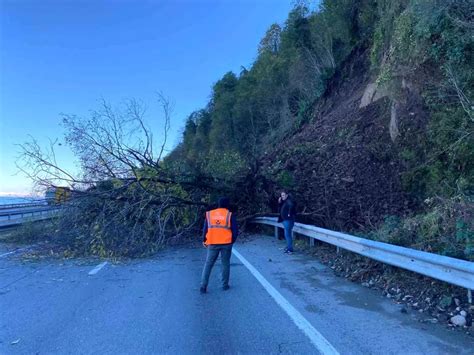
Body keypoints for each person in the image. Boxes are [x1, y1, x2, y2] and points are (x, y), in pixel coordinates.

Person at [200, 197, 238, 294]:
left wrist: (204, 240)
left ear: (218, 204)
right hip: (226, 243)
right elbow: (235, 230)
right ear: (227, 205)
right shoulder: (229, 215)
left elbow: (205, 229)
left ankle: (203, 286)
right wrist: (232, 240)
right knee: (225, 264)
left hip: (212, 243)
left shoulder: (210, 214)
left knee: (208, 264)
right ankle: (225, 285)